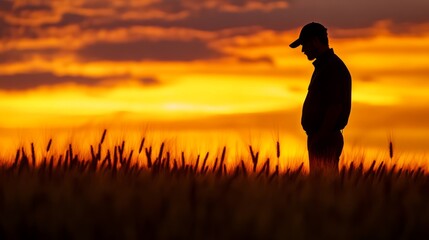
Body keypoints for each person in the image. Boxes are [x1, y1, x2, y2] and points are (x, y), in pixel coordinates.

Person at [289, 22, 352, 174]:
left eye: (305, 45)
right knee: (321, 186)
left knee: (323, 186)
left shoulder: (331, 68)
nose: (303, 50)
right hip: (322, 137)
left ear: (316, 41)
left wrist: (320, 138)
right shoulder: (326, 66)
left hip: (325, 139)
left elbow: (335, 107)